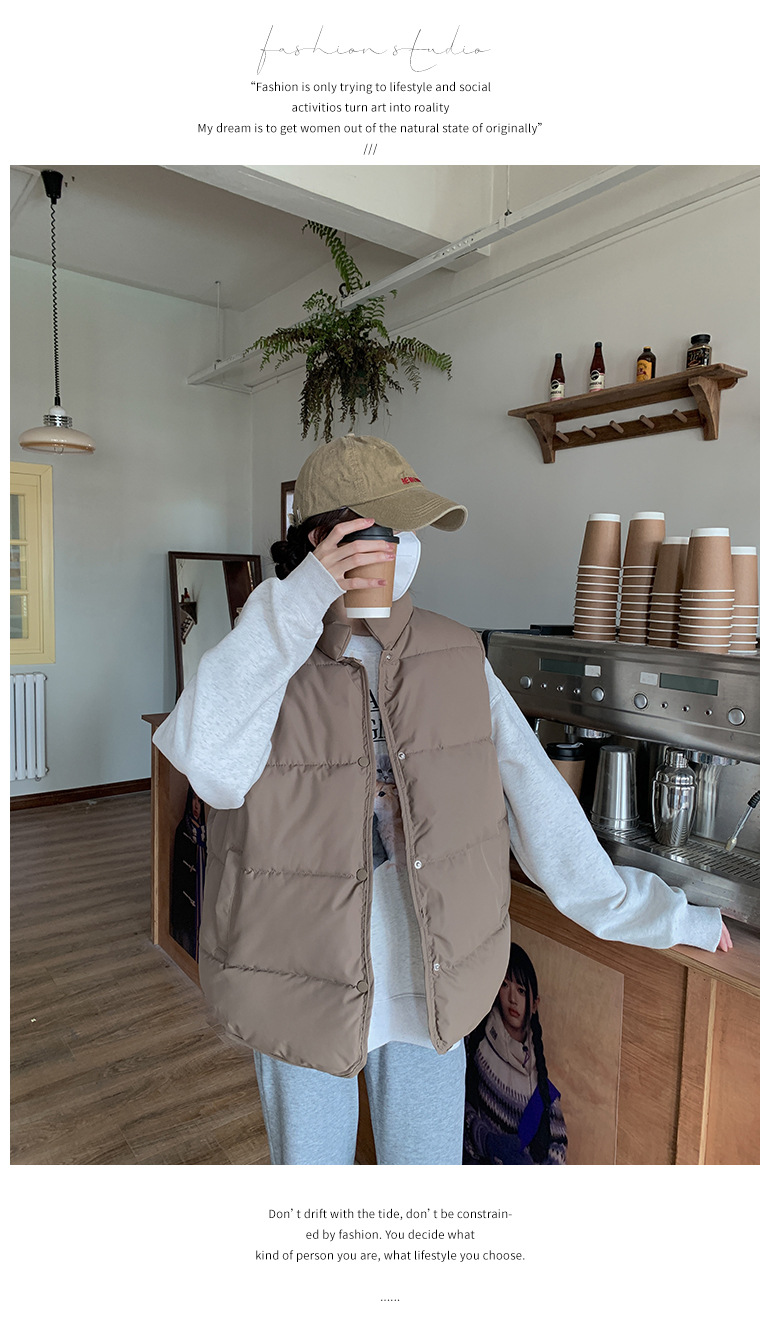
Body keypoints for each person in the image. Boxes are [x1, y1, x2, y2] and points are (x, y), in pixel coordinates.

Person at [153, 432, 731, 1166]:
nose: (397, 548)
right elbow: (211, 769)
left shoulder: (456, 654)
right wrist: (299, 600)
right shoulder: (265, 649)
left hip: (431, 979)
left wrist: (666, 916)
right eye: (379, 530)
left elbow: (540, 803)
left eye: (406, 530)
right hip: (296, 980)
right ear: (323, 539)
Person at [464, 943, 567, 1165]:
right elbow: (454, 1108)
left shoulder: (541, 1084)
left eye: (521, 990)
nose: (513, 998)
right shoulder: (475, 1044)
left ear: (535, 1004)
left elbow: (558, 1145)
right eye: (505, 985)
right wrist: (485, 1140)